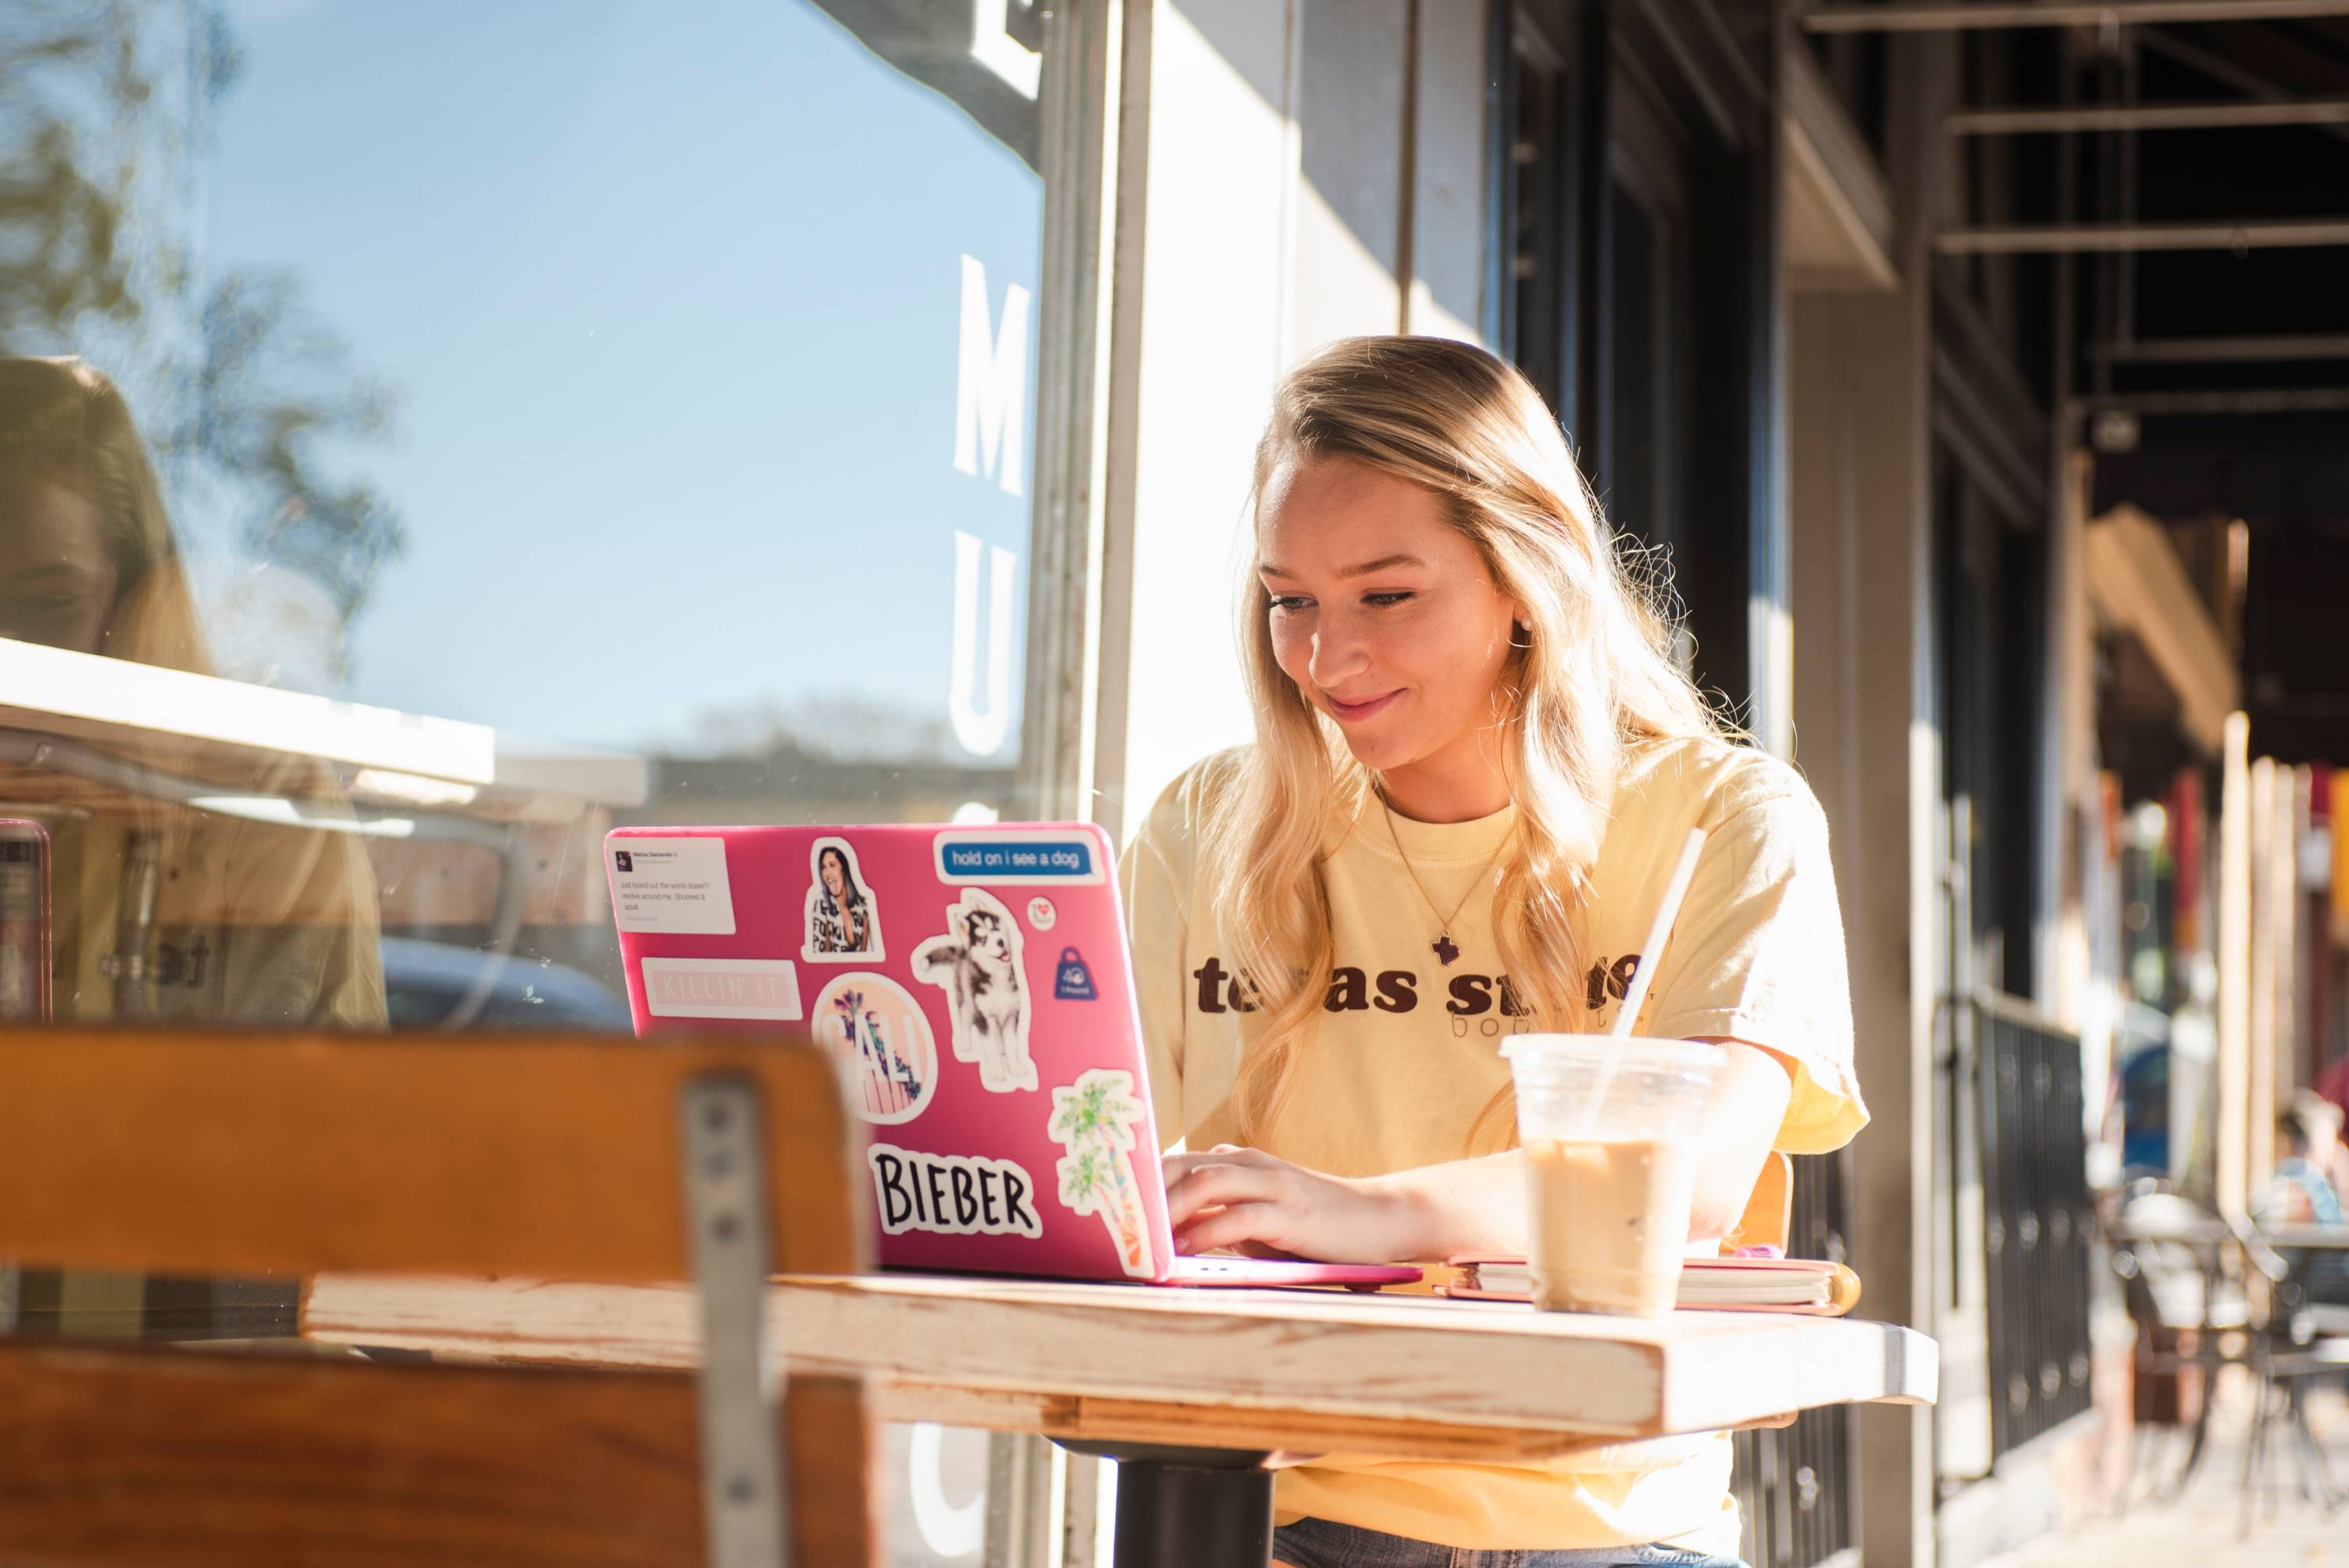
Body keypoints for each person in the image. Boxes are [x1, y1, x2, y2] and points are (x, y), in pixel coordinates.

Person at [1121, 337, 1864, 1568]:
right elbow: (1095, 1149)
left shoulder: (1726, 818)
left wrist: (1359, 1214)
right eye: (1289, 598)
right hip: (1267, 1517)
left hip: (1613, 1536)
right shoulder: (1206, 826)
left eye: (1387, 594)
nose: (1322, 655)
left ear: (1524, 578)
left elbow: (1692, 1178)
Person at [808, 842, 875, 954]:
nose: (827, 873)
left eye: (832, 865)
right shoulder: (821, 905)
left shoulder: (863, 905)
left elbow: (868, 954)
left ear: (843, 868)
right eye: (823, 867)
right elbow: (820, 957)